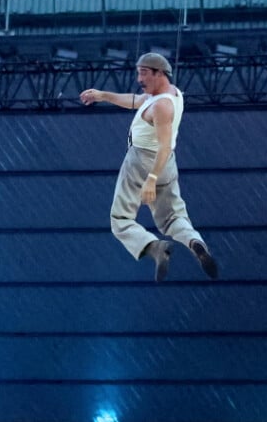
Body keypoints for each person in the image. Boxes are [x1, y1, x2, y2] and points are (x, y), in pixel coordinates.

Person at [80, 52, 218, 282]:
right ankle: (196, 243)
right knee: (172, 217)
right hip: (168, 165)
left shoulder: (162, 106)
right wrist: (102, 95)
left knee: (120, 220)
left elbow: (162, 145)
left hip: (143, 161)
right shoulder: (171, 94)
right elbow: (133, 100)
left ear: (160, 73)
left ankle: (154, 248)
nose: (139, 79)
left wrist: (151, 179)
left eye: (144, 73)